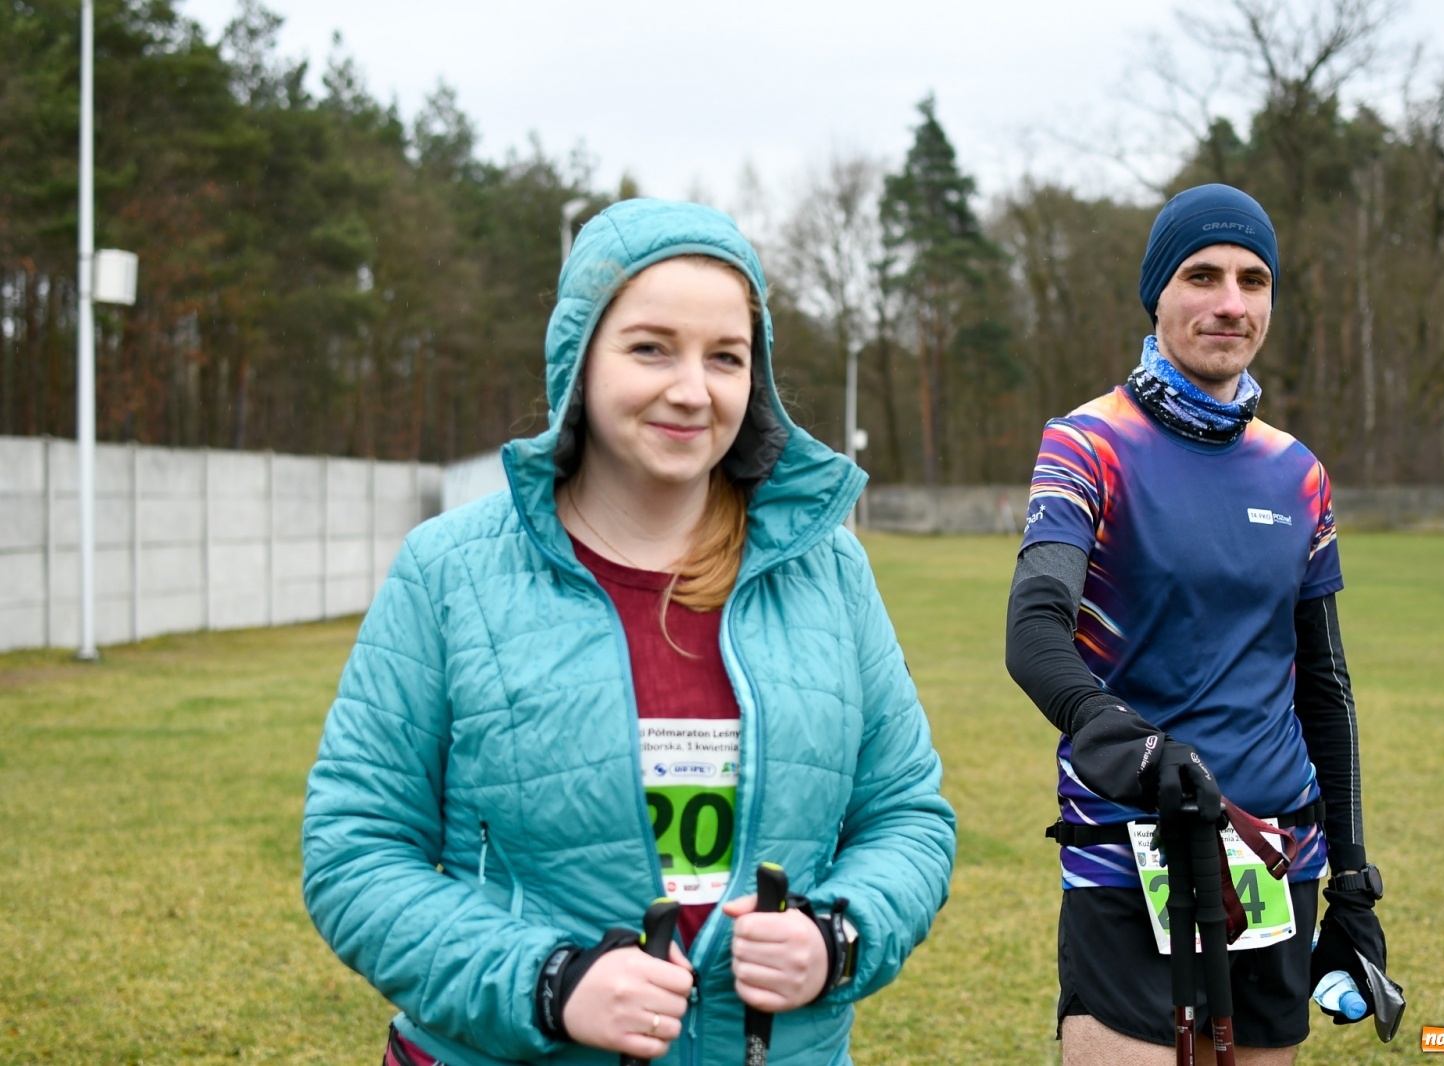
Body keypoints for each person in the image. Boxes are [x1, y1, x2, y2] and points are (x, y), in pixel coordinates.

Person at [302, 198, 956, 1066]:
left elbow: (908, 818)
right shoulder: (450, 569)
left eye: (726, 357)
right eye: (651, 348)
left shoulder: (831, 572)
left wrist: (837, 935)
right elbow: (356, 850)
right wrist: (548, 980)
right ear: (577, 356)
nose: (691, 390)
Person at [1005, 184, 1390, 1065]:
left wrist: (1355, 889)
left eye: (1254, 281)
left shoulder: (1298, 472)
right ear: (1158, 294)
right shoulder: (1087, 443)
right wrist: (1117, 734)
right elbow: (1035, 631)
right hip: (1130, 855)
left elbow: (1323, 689)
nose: (1231, 303)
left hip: (1278, 862)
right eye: (1202, 276)